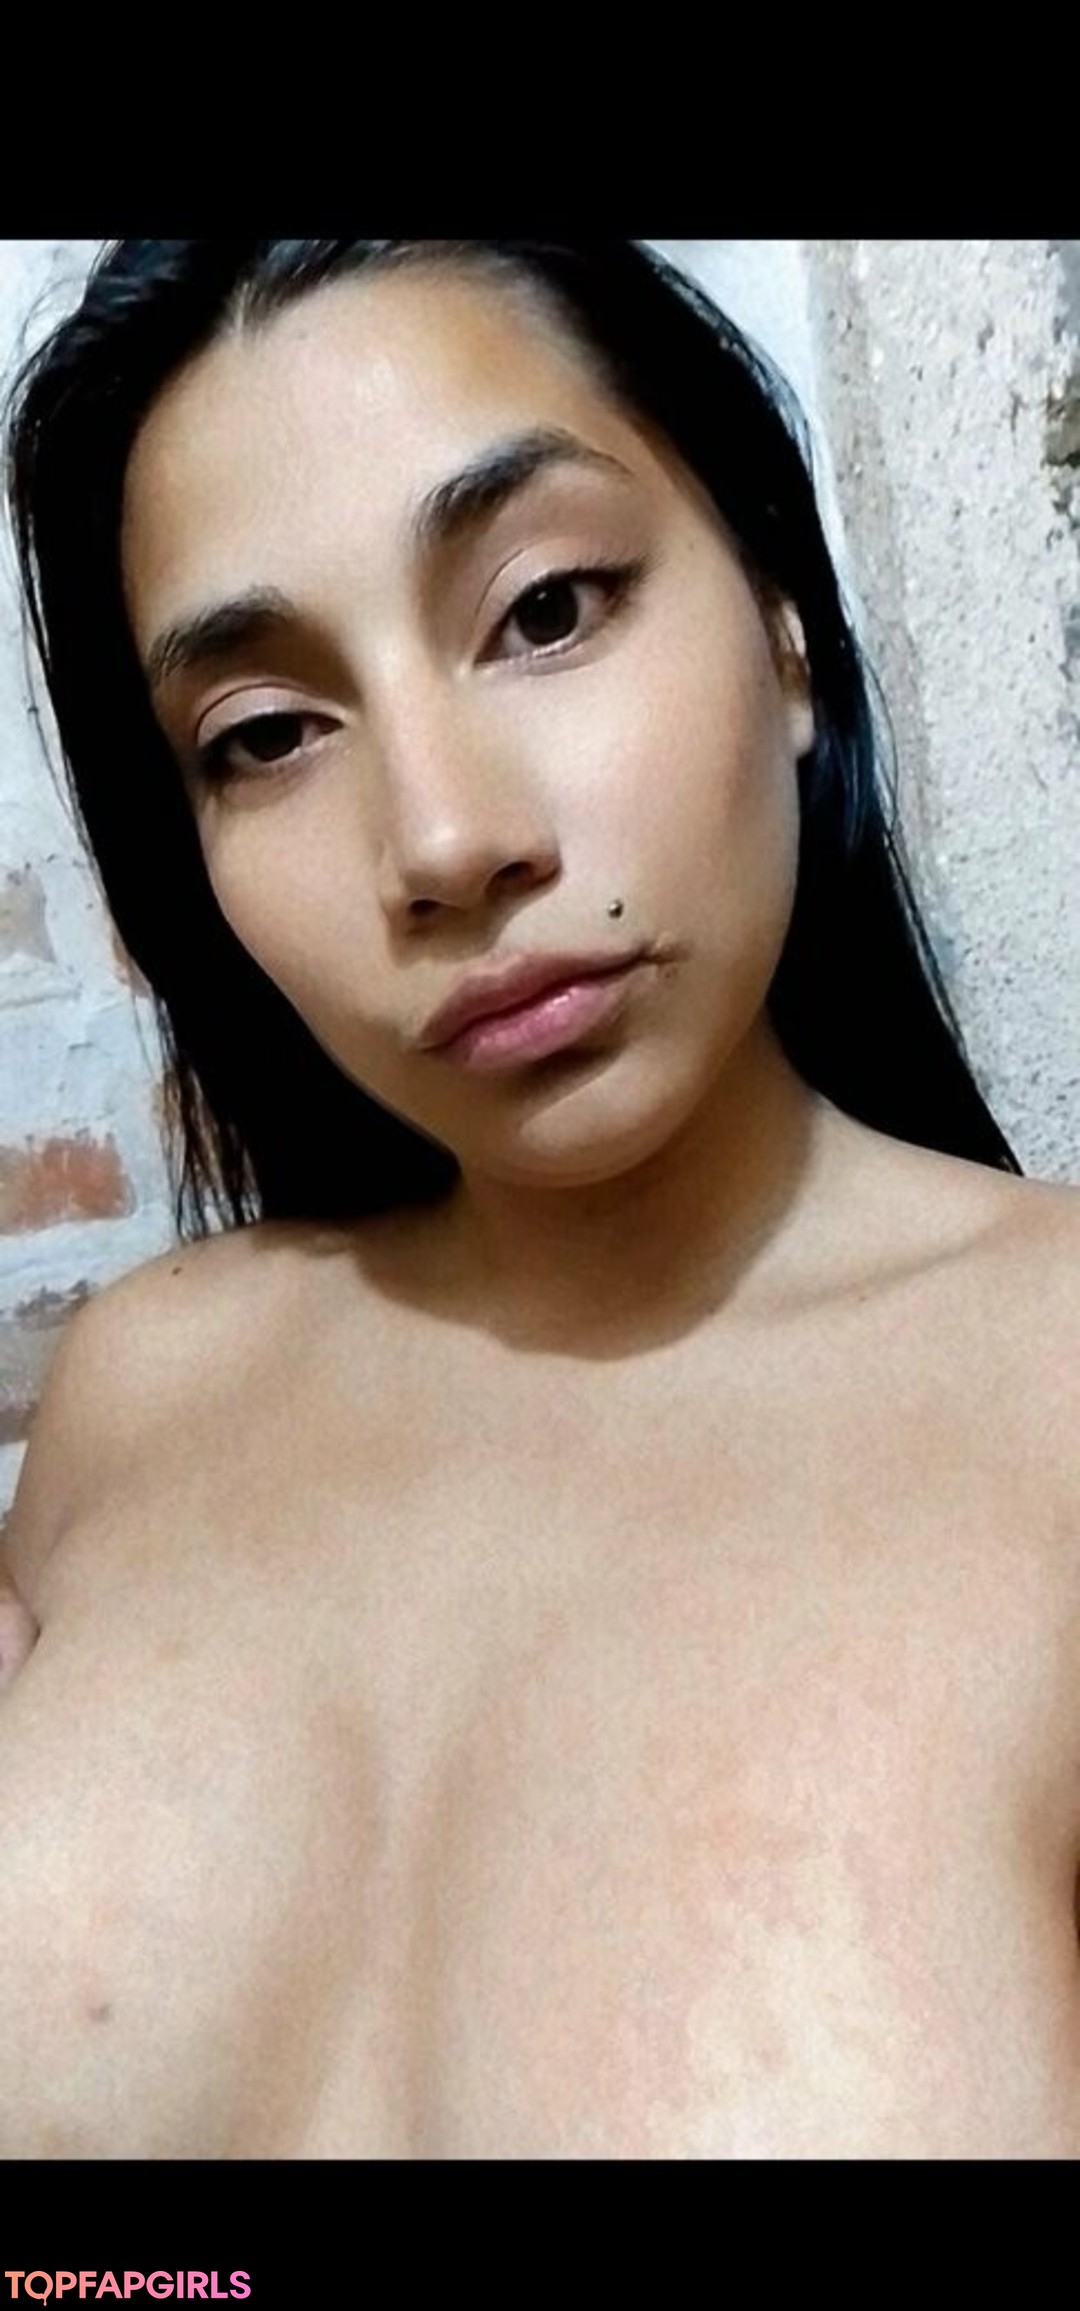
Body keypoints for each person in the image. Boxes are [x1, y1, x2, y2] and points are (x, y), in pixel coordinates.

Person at [0, 237, 1077, 2161]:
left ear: (784, 624)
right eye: (265, 735)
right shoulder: (141, 1396)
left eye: (549, 608)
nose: (444, 839)